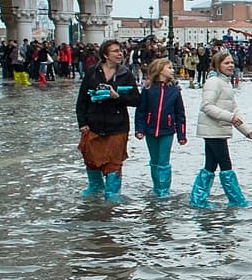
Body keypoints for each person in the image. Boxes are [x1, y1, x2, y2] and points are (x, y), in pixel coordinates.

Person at [190, 49, 252, 208]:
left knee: (210, 166)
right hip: (213, 130)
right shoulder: (214, 82)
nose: (231, 65)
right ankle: (236, 200)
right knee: (226, 165)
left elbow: (234, 110)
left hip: (218, 130)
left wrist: (246, 130)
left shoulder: (225, 83)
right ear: (217, 65)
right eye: (226, 63)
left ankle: (198, 199)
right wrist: (229, 117)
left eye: (232, 62)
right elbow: (207, 107)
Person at [76, 39, 140, 202]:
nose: (120, 54)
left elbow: (136, 100)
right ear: (105, 55)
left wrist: (117, 96)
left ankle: (112, 194)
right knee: (91, 159)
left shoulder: (125, 74)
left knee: (113, 162)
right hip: (93, 124)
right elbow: (82, 99)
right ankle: (95, 188)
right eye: (115, 51)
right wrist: (82, 122)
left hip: (117, 126)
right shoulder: (92, 72)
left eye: (120, 50)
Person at [134, 57, 187, 197]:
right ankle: (156, 188)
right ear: (160, 70)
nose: (173, 70)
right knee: (154, 161)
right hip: (150, 130)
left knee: (164, 161)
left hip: (167, 131)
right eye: (169, 68)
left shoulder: (174, 90)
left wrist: (182, 135)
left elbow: (180, 114)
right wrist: (139, 129)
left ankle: (163, 192)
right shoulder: (148, 89)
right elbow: (141, 111)